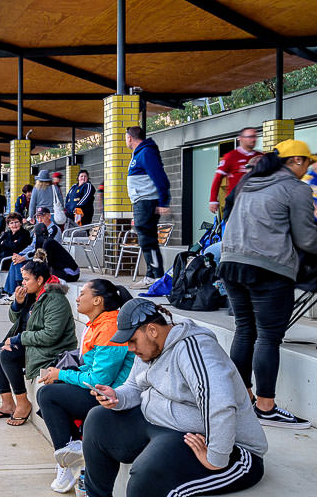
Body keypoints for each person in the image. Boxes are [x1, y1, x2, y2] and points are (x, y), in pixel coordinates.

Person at [83, 298, 267, 497]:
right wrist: (116, 397)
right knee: (98, 419)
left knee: (147, 476)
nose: (130, 348)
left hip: (228, 448)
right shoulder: (148, 350)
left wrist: (217, 457)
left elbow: (219, 403)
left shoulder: (195, 349)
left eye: (133, 340)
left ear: (152, 330)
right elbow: (134, 385)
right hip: (166, 427)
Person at [219, 140, 317, 428]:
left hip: (231, 265)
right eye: (307, 163)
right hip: (268, 270)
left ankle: (243, 399)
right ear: (296, 161)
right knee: (268, 337)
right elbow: (306, 240)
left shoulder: (247, 183)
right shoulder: (296, 188)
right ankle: (266, 406)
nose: (308, 169)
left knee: (245, 330)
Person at [34, 279, 135, 493]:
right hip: (97, 390)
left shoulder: (110, 327)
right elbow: (89, 368)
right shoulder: (97, 324)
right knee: (53, 388)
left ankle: (68, 458)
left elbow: (100, 379)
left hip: (111, 398)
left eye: (82, 294)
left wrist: (61, 373)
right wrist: (60, 374)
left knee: (49, 395)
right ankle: (69, 453)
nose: (77, 298)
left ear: (97, 300)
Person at [0, 259, 77, 427]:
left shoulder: (55, 300)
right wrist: (17, 304)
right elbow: (15, 320)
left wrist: (19, 339)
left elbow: (51, 335)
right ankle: (7, 404)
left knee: (7, 353)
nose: (23, 283)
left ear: (39, 280)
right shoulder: (33, 295)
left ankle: (23, 402)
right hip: (32, 344)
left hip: (51, 350)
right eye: (23, 279)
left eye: (27, 279)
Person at [125, 127, 171, 284]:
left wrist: (164, 200)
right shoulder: (139, 153)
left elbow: (160, 176)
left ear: (130, 138)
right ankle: (152, 275)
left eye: (126, 137)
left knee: (148, 239)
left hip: (147, 201)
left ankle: (156, 276)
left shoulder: (146, 152)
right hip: (141, 201)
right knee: (145, 239)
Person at [209, 127, 261, 217]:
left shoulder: (260, 157)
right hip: (235, 202)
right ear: (240, 138)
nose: (254, 139)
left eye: (255, 136)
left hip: (256, 203)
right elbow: (218, 178)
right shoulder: (231, 156)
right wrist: (213, 200)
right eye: (250, 137)